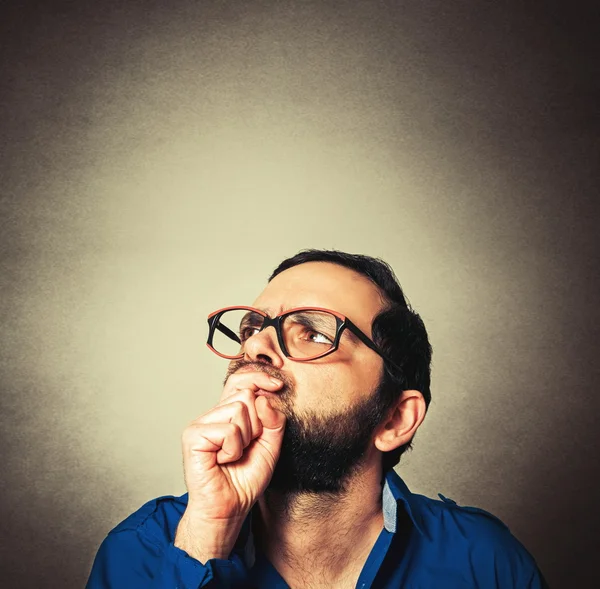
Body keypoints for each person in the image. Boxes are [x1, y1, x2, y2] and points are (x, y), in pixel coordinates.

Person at [86, 249, 548, 588]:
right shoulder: (145, 551)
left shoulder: (484, 563)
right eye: (253, 327)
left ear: (394, 418)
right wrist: (208, 536)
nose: (255, 348)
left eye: (311, 332)